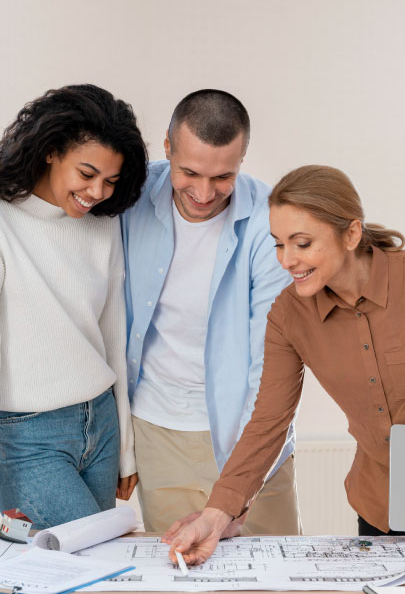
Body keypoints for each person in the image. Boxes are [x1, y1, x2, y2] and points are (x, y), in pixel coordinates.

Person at [166, 164, 405, 564]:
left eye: (302, 243)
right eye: (278, 244)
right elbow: (268, 423)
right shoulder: (288, 316)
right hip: (380, 506)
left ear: (351, 234)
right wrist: (217, 513)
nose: (287, 260)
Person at [0, 84, 147, 549]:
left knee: (87, 573)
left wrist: (125, 448)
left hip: (101, 424)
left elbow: (113, 339)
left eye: (109, 181)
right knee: (98, 569)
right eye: (87, 173)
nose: (96, 192)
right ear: (50, 152)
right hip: (28, 440)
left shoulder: (102, 226)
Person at [121, 89, 301, 534]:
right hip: (158, 430)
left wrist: (245, 470)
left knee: (271, 580)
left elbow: (271, 358)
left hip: (249, 436)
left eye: (223, 176)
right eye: (189, 172)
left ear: (243, 158)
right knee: (176, 575)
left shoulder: (269, 219)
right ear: (166, 146)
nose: (204, 193)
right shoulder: (131, 198)